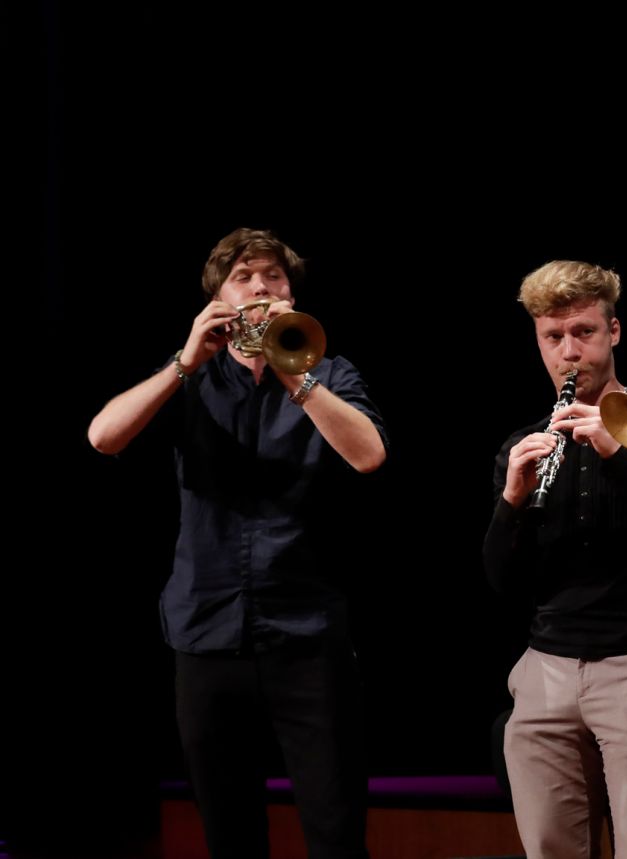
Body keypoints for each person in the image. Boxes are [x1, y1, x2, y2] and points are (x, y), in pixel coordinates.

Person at [87, 228, 386, 859]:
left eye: (273, 277)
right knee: (229, 836)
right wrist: (184, 360)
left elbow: (368, 455)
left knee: (336, 833)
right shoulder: (192, 380)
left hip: (306, 637)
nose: (260, 288)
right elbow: (103, 437)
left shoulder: (329, 372)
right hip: (206, 632)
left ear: (291, 296)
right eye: (243, 278)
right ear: (218, 299)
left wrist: (295, 375)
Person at [486, 260, 627, 859]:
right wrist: (511, 502)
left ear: (614, 332)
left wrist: (616, 451)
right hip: (545, 672)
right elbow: (501, 581)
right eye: (553, 337)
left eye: (583, 332)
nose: (569, 352)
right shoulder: (525, 444)